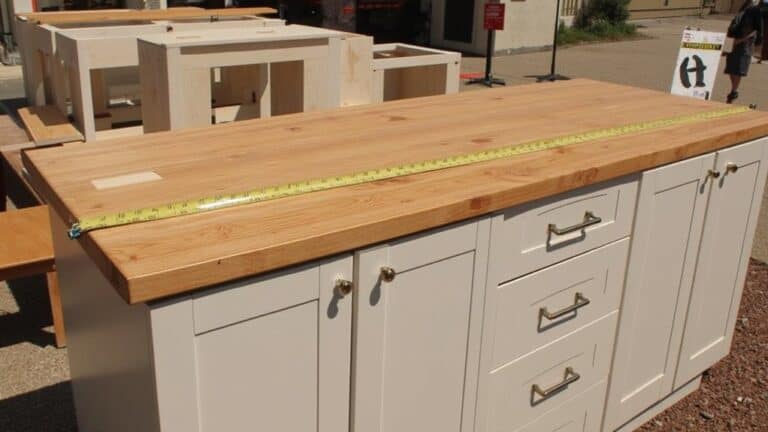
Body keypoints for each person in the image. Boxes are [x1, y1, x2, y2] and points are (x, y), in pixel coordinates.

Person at [724, 0, 763, 103]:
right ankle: (734, 90)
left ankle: (734, 91)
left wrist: (745, 39)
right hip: (736, 40)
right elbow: (735, 24)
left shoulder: (756, 12)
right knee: (731, 68)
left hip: (746, 43)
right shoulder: (743, 9)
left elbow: (757, 29)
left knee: (739, 69)